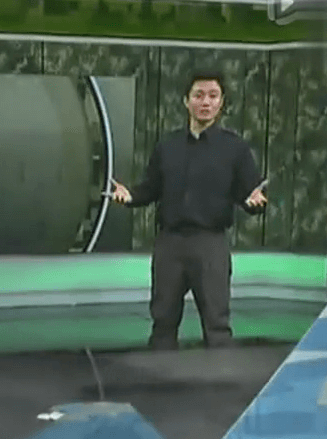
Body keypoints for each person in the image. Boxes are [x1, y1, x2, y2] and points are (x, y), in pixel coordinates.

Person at [111, 70, 268, 350]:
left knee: (217, 325)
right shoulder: (167, 146)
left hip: (210, 244)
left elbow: (249, 195)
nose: (205, 102)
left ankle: (221, 376)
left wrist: (255, 202)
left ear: (221, 102)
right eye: (199, 95)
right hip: (170, 244)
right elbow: (150, 188)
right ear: (186, 101)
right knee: (163, 323)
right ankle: (158, 374)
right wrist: (130, 196)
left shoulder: (235, 148)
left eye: (213, 96)